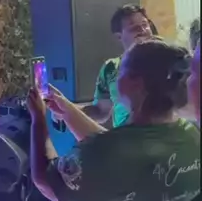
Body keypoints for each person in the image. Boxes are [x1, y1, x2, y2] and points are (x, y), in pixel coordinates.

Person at [28, 39, 200, 201]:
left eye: (121, 72)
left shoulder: (108, 151)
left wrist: (38, 118)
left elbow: (46, 181)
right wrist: (68, 111)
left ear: (136, 83)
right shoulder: (192, 134)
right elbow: (118, 147)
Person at [83, 4, 154, 127]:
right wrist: (67, 109)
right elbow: (101, 111)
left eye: (145, 24)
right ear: (119, 36)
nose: (143, 31)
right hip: (125, 137)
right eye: (134, 27)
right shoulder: (111, 68)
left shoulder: (167, 60)